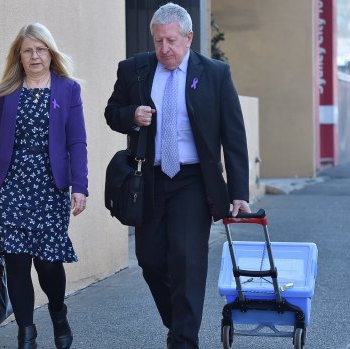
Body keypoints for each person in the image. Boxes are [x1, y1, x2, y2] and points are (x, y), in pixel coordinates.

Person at [104, 3, 250, 349]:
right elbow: (111, 113)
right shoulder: (135, 70)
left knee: (186, 258)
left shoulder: (214, 74)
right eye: (158, 42)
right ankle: (181, 321)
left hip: (193, 180)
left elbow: (233, 136)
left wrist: (238, 191)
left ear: (188, 38)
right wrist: (131, 115)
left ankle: (183, 339)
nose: (164, 49)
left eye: (171, 41)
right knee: (150, 260)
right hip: (150, 178)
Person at [0, 23, 88, 349]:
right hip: (10, 187)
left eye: (40, 49)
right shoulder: (7, 95)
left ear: (50, 53)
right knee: (17, 262)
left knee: (49, 263)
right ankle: (26, 333)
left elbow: (77, 142)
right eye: (28, 50)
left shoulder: (67, 90)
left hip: (51, 188)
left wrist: (80, 186)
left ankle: (58, 312)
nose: (35, 56)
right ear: (19, 56)